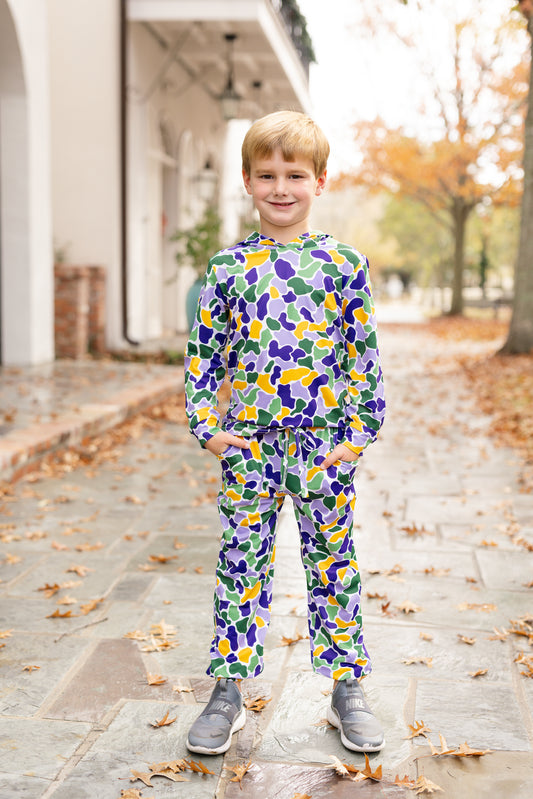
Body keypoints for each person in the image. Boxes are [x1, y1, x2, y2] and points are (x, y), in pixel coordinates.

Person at [184, 110, 385, 756]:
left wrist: (357, 435)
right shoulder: (227, 269)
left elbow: (362, 357)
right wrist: (208, 427)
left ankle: (347, 686)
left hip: (324, 447)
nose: (280, 187)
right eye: (266, 174)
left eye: (294, 174)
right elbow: (202, 357)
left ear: (319, 181)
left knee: (334, 563)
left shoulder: (343, 265)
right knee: (240, 563)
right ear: (246, 180)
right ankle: (228, 689)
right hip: (249, 447)